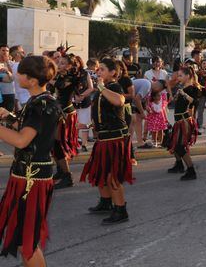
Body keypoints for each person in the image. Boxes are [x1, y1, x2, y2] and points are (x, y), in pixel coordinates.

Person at [0, 55, 63, 267]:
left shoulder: (41, 105)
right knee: (20, 232)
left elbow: (23, 140)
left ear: (32, 80)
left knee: (27, 239)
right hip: (25, 176)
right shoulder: (38, 102)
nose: (16, 74)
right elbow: (30, 130)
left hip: (31, 180)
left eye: (21, 72)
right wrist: (9, 117)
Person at [80, 58, 133, 224]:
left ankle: (121, 210)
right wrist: (87, 125)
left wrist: (101, 87)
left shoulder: (113, 87)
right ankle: (105, 202)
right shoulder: (102, 90)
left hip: (115, 138)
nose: (98, 72)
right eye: (98, 69)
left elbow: (120, 101)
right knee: (100, 171)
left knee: (112, 176)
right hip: (104, 137)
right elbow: (101, 114)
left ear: (113, 73)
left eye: (102, 69)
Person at [51, 54, 82, 189]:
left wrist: (48, 77)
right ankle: (60, 171)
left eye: (63, 63)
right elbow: (52, 89)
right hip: (58, 111)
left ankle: (67, 176)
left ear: (70, 66)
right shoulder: (60, 76)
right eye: (59, 62)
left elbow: (60, 86)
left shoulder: (71, 77)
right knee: (54, 143)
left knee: (59, 144)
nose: (59, 64)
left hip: (66, 114)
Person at [167, 66, 201, 180]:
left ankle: (191, 170)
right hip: (178, 120)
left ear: (188, 76)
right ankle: (179, 164)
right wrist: (176, 96)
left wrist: (184, 94)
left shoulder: (192, 88)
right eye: (178, 75)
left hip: (184, 121)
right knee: (172, 143)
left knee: (180, 146)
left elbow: (195, 103)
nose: (179, 77)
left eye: (181, 75)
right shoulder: (182, 88)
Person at [145, 82, 168, 148]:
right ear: (153, 97)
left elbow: (165, 94)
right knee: (154, 132)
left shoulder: (162, 102)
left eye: (160, 95)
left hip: (161, 119)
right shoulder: (151, 104)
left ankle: (161, 142)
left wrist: (166, 119)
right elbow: (147, 106)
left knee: (161, 131)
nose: (159, 97)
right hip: (153, 120)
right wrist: (148, 109)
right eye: (157, 95)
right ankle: (154, 142)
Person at [9, 45, 29, 111]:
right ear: (17, 54)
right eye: (22, 52)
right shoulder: (20, 65)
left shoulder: (16, 65)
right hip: (27, 98)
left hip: (24, 98)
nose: (24, 53)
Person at [0, 44, 15, 112]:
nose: (5, 52)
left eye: (7, 51)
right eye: (3, 50)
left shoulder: (12, 64)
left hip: (10, 93)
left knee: (9, 114)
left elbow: (13, 78)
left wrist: (7, 65)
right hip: (0, 94)